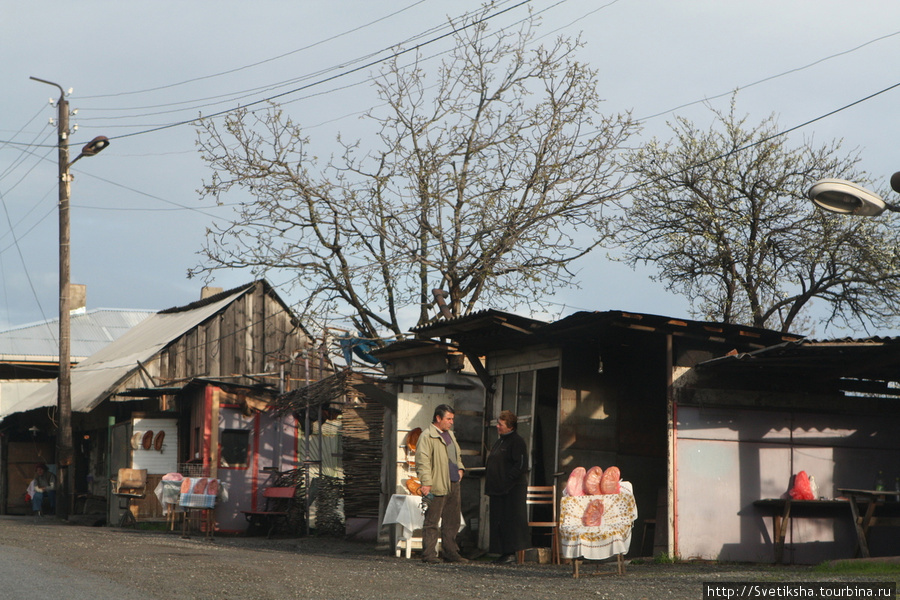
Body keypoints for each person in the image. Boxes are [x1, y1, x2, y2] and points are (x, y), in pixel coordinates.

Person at [415, 404, 468, 563]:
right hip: (436, 484)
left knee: (452, 520)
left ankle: (450, 552)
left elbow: (456, 456)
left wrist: (460, 469)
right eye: (448, 419)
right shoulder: (427, 436)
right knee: (432, 520)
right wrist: (426, 483)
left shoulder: (450, 435)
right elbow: (422, 461)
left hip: (453, 482)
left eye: (452, 419)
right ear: (438, 418)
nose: (451, 422)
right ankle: (429, 554)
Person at [485, 410, 530, 564]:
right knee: (499, 520)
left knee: (511, 520)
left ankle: (510, 552)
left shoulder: (516, 442)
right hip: (498, 489)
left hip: (511, 489)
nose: (497, 427)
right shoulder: (500, 441)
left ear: (510, 427)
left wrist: (507, 480)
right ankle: (503, 551)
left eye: (501, 424)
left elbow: (521, 464)